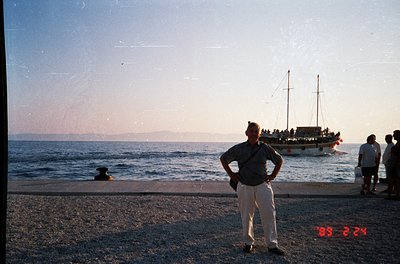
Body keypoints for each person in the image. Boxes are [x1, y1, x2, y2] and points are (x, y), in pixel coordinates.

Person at [220, 122, 285, 255]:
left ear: (259, 134)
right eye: (252, 131)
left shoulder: (265, 148)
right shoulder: (239, 148)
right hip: (244, 186)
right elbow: (224, 158)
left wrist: (273, 175)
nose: (254, 133)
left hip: (262, 185)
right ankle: (248, 243)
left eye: (256, 131)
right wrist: (231, 175)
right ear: (246, 133)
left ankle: (272, 245)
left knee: (269, 214)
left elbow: (279, 160)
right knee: (246, 215)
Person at [386, 130, 400, 200]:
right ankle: (393, 195)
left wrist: (396, 163)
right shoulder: (397, 143)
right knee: (393, 180)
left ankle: (395, 195)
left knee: (395, 180)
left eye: (394, 134)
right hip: (393, 164)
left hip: (396, 165)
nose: (393, 136)